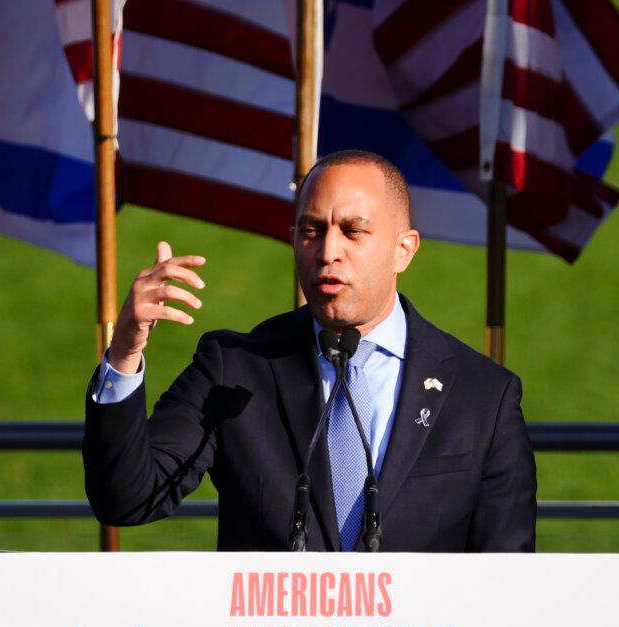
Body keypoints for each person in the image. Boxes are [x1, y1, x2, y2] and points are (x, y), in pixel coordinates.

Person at [83, 150, 536, 552]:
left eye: (353, 231)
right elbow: (126, 499)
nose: (328, 252)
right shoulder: (235, 370)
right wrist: (124, 352)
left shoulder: (483, 395)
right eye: (311, 230)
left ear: (404, 250)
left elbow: (509, 576)